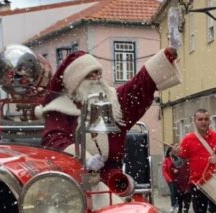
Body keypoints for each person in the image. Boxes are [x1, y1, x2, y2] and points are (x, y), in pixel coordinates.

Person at [40, 49, 180, 195]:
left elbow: (136, 88)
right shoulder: (61, 108)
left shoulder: (107, 102)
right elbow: (54, 140)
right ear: (76, 80)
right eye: (90, 75)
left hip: (112, 179)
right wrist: (85, 159)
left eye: (98, 73)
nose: (97, 78)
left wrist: (162, 61)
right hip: (72, 181)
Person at [162, 147, 181, 213]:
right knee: (173, 192)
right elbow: (164, 171)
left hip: (177, 178)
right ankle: (173, 205)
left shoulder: (177, 159)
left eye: (173, 151)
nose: (172, 153)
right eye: (171, 151)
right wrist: (169, 179)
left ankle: (179, 205)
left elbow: (180, 167)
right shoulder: (166, 160)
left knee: (178, 192)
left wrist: (177, 171)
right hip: (170, 179)